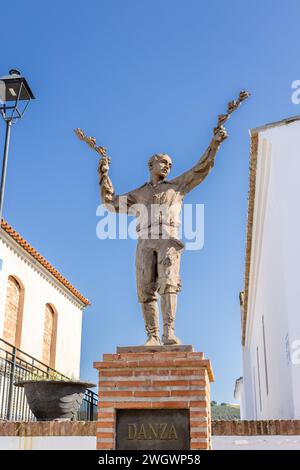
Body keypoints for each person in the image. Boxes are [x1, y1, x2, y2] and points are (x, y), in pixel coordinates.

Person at [98, 126, 228, 346]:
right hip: (145, 241)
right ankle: (153, 335)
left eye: (170, 164)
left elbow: (201, 169)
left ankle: (169, 332)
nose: (168, 166)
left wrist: (214, 144)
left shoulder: (177, 186)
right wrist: (104, 175)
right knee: (145, 287)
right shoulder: (138, 194)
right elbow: (110, 203)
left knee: (169, 284)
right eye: (164, 162)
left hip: (168, 240)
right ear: (151, 165)